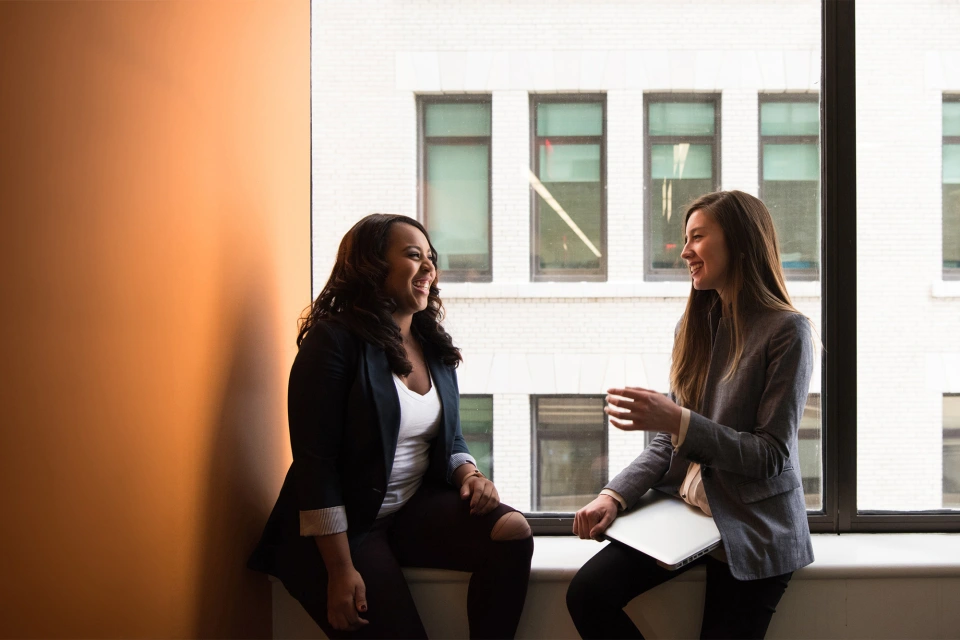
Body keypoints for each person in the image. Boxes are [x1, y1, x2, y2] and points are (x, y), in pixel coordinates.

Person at [248, 213, 533, 639]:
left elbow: (448, 437)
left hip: (403, 510)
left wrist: (469, 473)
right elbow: (316, 465)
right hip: (340, 532)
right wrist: (340, 571)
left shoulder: (431, 344)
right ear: (371, 265)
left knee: (512, 532)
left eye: (431, 258)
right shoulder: (333, 342)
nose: (428, 268)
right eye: (413, 255)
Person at [565, 190, 815, 640]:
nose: (684, 251)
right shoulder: (694, 326)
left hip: (753, 526)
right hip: (688, 515)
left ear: (739, 242)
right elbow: (669, 441)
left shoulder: (787, 330)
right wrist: (613, 496)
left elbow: (770, 455)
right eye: (686, 239)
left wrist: (677, 421)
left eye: (697, 237)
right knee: (586, 594)